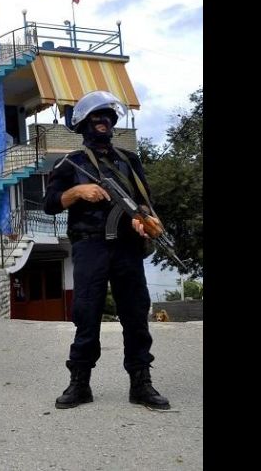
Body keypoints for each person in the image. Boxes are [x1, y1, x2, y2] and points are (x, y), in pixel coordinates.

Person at [43, 90, 170, 410]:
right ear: (83, 123)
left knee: (135, 313)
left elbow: (144, 201)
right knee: (86, 314)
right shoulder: (69, 163)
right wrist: (77, 191)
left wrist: (144, 219)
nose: (104, 122)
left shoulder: (129, 160)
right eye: (97, 117)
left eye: (109, 117)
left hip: (127, 247)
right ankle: (80, 383)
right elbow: (50, 204)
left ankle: (141, 383)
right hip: (89, 246)